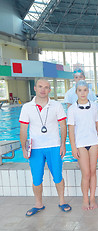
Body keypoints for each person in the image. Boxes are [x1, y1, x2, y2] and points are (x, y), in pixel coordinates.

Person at [19, 79, 71, 216]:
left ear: (50, 90)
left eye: (46, 87)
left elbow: (63, 126)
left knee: (58, 176)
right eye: (40, 86)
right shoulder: (26, 107)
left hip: (54, 146)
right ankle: (38, 204)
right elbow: (23, 129)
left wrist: (63, 144)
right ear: (35, 88)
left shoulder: (56, 105)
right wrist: (24, 148)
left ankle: (62, 201)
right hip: (35, 148)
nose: (43, 89)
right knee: (36, 178)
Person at [68, 80, 98, 210]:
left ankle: (92, 198)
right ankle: (85, 199)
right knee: (86, 173)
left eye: (85, 90)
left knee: (93, 171)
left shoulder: (94, 106)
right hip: (81, 144)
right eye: (79, 90)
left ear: (88, 91)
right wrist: (73, 147)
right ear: (76, 92)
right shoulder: (72, 109)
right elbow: (71, 130)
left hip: (93, 142)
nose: (82, 93)